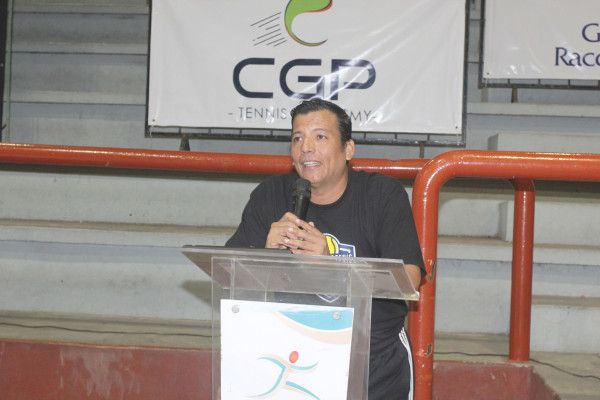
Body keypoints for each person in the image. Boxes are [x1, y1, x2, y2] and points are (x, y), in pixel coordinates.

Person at [226, 98, 426, 400]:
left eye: (320, 136)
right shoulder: (270, 195)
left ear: (348, 149)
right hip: (287, 356)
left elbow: (409, 279)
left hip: (372, 361)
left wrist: (332, 267)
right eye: (297, 138)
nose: (306, 148)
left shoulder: (381, 194)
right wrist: (265, 255)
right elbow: (229, 273)